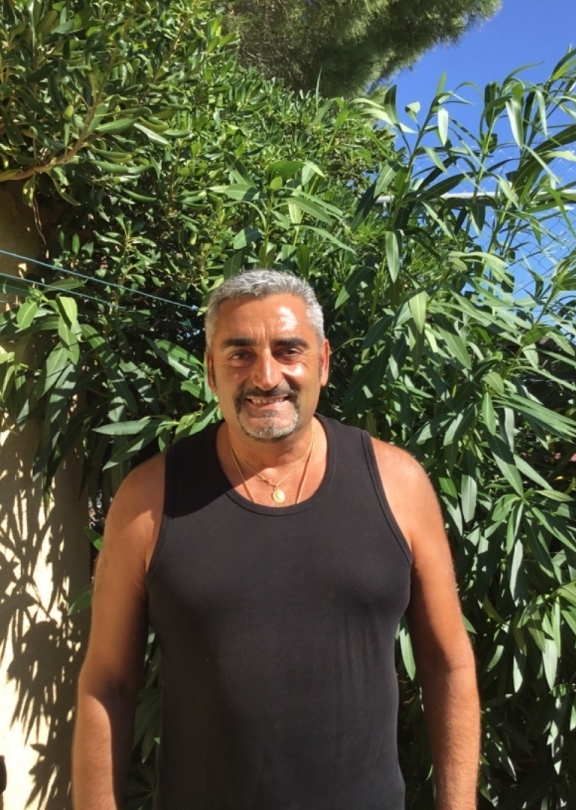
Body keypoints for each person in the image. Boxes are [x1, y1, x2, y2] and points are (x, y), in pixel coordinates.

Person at [72, 269, 480, 810]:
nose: (266, 377)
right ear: (210, 370)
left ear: (323, 362)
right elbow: (108, 684)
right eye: (240, 354)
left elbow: (448, 663)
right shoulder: (148, 500)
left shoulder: (397, 484)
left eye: (289, 350)